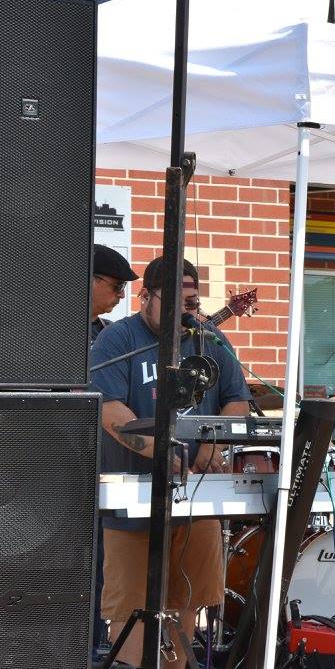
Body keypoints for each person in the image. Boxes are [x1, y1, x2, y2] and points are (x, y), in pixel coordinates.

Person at [91, 257, 250, 669]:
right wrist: (161, 451)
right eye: (175, 301)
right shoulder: (119, 340)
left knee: (186, 608)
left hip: (197, 499)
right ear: (145, 297)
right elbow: (111, 413)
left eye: (193, 302)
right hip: (133, 499)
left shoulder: (211, 340)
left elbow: (237, 398)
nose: (186, 312)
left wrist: (213, 444)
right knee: (130, 614)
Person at [89, 244, 139, 660]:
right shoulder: (44, 333)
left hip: (102, 464)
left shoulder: (108, 335)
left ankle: (99, 642)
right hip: (54, 464)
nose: (121, 295)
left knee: (99, 562)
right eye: (116, 285)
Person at [91, 244, 139, 341]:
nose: (122, 295)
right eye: (118, 286)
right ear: (90, 281)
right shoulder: (54, 328)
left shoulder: (112, 333)